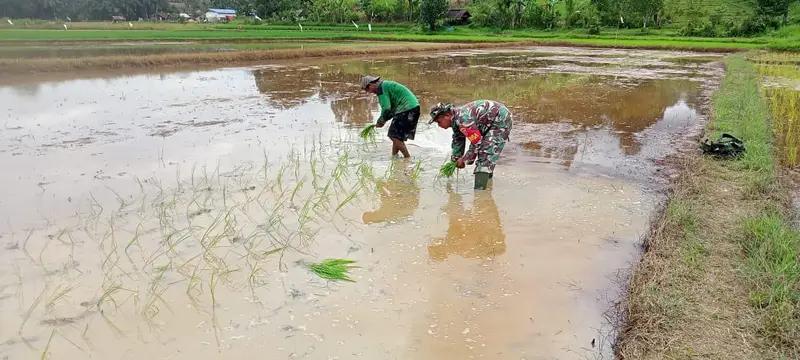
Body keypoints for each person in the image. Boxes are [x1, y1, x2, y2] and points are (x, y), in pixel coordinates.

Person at [429, 100, 513, 190]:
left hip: (500, 120)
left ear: (447, 116)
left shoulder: (463, 119)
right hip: (486, 123)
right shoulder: (455, 120)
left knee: (486, 153)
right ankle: (487, 183)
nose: (439, 125)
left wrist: (465, 160)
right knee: (485, 150)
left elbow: (476, 142)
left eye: (439, 122)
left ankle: (480, 194)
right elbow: (458, 139)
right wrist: (455, 159)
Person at [360, 75, 421, 158]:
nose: (369, 92)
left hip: (407, 108)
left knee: (393, 135)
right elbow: (391, 110)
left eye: (367, 89)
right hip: (413, 108)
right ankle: (394, 157)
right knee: (397, 137)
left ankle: (407, 158)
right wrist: (383, 120)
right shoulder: (386, 85)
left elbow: (386, 108)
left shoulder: (381, 89)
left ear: (371, 85)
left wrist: (381, 121)